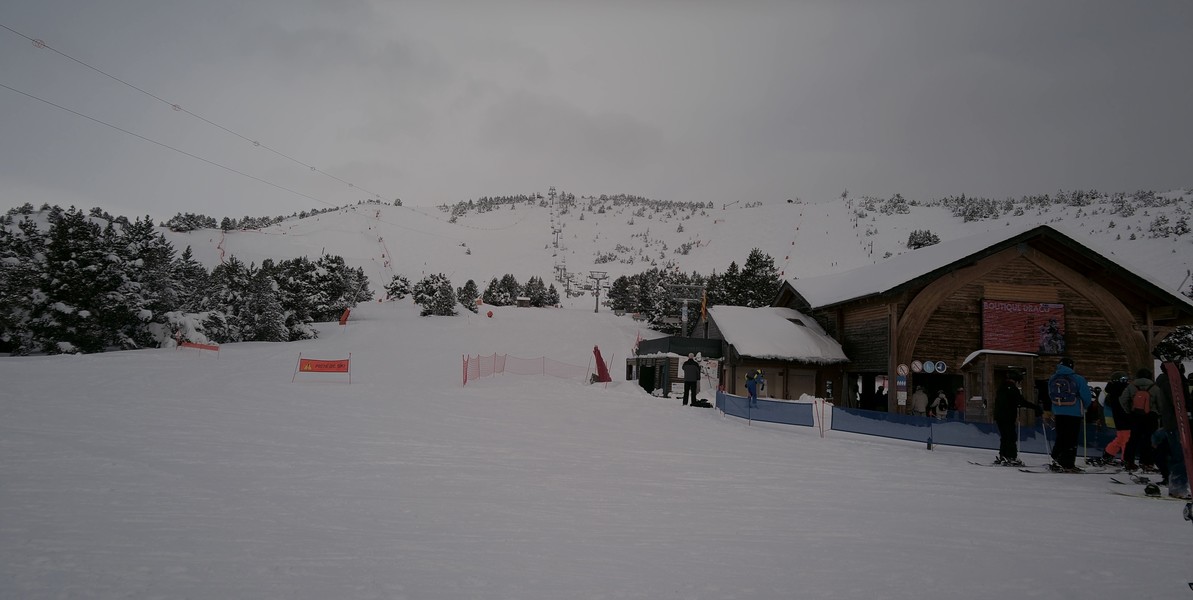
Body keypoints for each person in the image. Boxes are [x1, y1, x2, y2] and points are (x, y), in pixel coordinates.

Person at [1047, 356, 1093, 472]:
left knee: (1061, 436)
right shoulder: (1078, 378)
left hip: (1058, 411)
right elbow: (1086, 396)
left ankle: (1056, 459)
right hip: (1074, 412)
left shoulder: (1053, 378)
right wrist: (1085, 406)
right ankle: (1067, 464)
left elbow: (1050, 394)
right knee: (1071, 439)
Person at [1152, 363, 1190, 499]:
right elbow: (1178, 402)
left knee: (1180, 456)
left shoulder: (1169, 382)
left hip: (1173, 424)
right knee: (1181, 457)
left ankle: (1177, 486)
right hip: (1176, 424)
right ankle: (1178, 487)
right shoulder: (1170, 384)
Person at [993, 370, 1043, 466]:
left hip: (999, 416)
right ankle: (1011, 457)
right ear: (1015, 380)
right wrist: (1035, 407)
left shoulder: (1001, 387)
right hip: (1008, 416)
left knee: (1005, 436)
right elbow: (1020, 402)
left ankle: (1003, 455)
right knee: (1011, 437)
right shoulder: (1012, 388)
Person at [1120, 368, 1158, 473]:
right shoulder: (1155, 387)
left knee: (1133, 438)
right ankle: (1147, 463)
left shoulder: (1131, 386)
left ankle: (1128, 461)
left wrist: (1129, 410)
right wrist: (1157, 412)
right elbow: (1161, 402)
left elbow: (1123, 399)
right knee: (1148, 439)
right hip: (1151, 416)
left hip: (1135, 415)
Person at [1096, 372, 1132, 466]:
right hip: (1125, 418)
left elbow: (1100, 404)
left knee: (1120, 438)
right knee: (1126, 440)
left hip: (1115, 418)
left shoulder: (1107, 391)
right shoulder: (1125, 390)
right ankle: (1126, 460)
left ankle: (1108, 454)